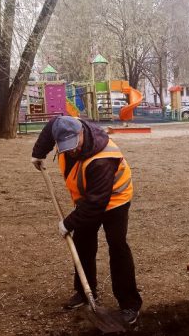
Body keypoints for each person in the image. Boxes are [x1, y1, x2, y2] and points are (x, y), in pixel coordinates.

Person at [31, 116, 142, 325]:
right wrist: (38, 153)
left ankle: (130, 304)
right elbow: (50, 129)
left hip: (115, 200)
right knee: (83, 243)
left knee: (117, 246)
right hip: (88, 199)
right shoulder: (62, 125)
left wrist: (68, 223)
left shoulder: (102, 159)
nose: (70, 150)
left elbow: (95, 204)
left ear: (81, 132)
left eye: (73, 144)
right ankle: (85, 292)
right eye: (64, 146)